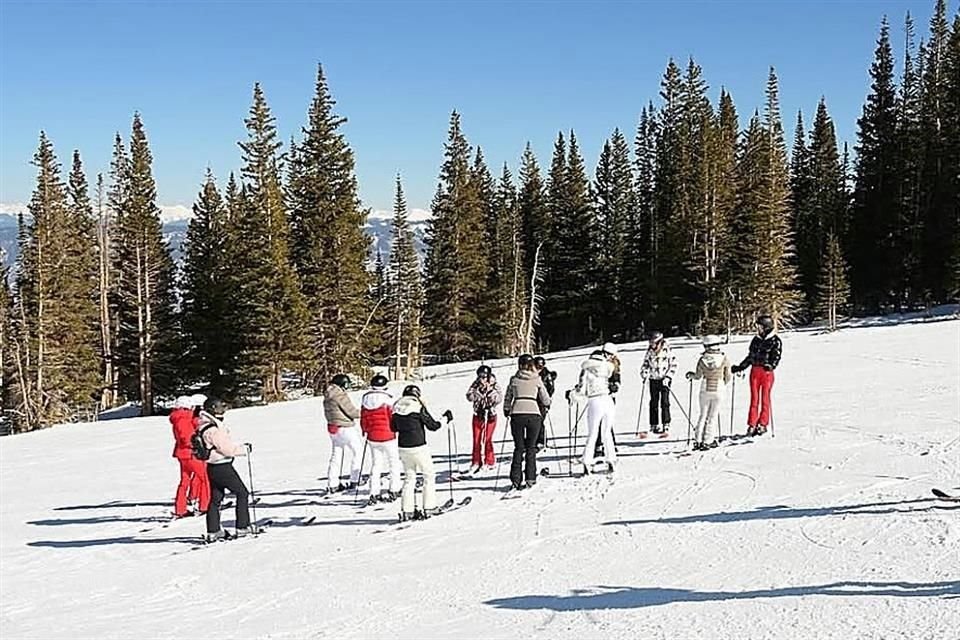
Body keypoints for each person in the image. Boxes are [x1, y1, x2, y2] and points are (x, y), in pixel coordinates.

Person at [199, 398, 254, 542]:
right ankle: (242, 527)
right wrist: (243, 450)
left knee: (216, 498)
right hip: (222, 466)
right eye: (219, 408)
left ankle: (214, 530)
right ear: (212, 409)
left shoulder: (205, 425)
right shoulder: (214, 429)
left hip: (212, 466)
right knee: (242, 493)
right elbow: (227, 449)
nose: (222, 411)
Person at [391, 385, 443, 521]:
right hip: (419, 446)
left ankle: (407, 510)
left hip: (403, 447)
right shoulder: (417, 406)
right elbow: (433, 426)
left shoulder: (397, 407)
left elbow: (393, 427)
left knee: (409, 478)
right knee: (429, 475)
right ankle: (429, 507)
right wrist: (445, 419)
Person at [504, 354, 552, 489]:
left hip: (517, 414)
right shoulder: (537, 379)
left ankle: (515, 479)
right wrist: (548, 404)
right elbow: (545, 397)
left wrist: (507, 409)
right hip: (534, 414)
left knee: (519, 447)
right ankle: (530, 477)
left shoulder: (514, 379)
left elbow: (508, 397)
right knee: (531, 447)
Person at [731, 314, 782, 436]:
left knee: (765, 398)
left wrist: (771, 365)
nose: (758, 329)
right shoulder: (756, 340)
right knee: (754, 398)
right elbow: (750, 356)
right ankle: (752, 424)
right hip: (754, 371)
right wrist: (741, 367)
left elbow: (776, 356)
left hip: (766, 372)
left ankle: (763, 424)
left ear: (767, 327)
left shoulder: (775, 340)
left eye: (760, 326)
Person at [572, 347, 618, 473]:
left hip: (595, 401)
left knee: (593, 433)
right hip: (608, 399)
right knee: (607, 432)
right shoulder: (606, 369)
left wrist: (572, 395)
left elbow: (581, 390)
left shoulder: (587, 369)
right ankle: (611, 459)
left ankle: (587, 461)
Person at [685, 335, 733, 450]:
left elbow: (698, 376)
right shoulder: (724, 358)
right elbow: (728, 375)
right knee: (712, 416)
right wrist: (723, 383)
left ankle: (698, 440)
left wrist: (690, 375)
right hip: (719, 388)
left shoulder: (702, 359)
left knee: (702, 415)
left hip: (705, 388)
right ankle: (708, 440)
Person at [360, 374, 402, 505]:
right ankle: (394, 488)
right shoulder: (388, 399)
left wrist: (365, 430)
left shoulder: (365, 399)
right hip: (388, 435)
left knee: (376, 464)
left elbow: (363, 418)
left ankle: (374, 492)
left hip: (373, 436)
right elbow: (392, 417)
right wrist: (396, 429)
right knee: (393, 462)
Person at [170, 395, 210, 517]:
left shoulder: (177, 417)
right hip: (191, 453)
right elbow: (186, 436)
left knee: (185, 480)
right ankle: (205, 505)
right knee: (205, 478)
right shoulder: (184, 418)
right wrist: (196, 446)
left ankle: (180, 508)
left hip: (182, 453)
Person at [323, 373, 363, 494]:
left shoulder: (328, 394)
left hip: (333, 427)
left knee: (336, 455)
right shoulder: (340, 395)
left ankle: (332, 483)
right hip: (345, 427)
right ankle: (355, 480)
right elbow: (351, 412)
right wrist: (365, 413)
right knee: (358, 451)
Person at [465, 365, 502, 474]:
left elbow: (499, 397)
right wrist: (476, 394)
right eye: (480, 376)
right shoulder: (476, 384)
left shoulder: (494, 383)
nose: (482, 378)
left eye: (484, 376)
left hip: (490, 414)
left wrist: (491, 394)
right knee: (476, 439)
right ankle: (476, 461)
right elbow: (469, 396)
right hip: (478, 414)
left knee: (487, 438)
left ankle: (490, 461)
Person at [639, 331, 677, 437]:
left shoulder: (667, 350)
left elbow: (673, 365)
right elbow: (645, 364)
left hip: (664, 379)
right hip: (653, 379)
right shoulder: (650, 351)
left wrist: (668, 377)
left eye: (653, 342)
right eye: (650, 342)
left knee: (665, 402)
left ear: (659, 342)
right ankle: (654, 424)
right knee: (653, 402)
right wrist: (645, 373)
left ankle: (666, 423)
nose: (651, 345)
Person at [533, 356, 557, 451]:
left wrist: (547, 399)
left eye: (540, 366)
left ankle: (541, 440)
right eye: (537, 366)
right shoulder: (532, 374)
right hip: (533, 400)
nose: (539, 368)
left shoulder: (546, 375)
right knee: (534, 421)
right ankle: (534, 440)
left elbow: (551, 388)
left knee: (540, 420)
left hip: (543, 401)